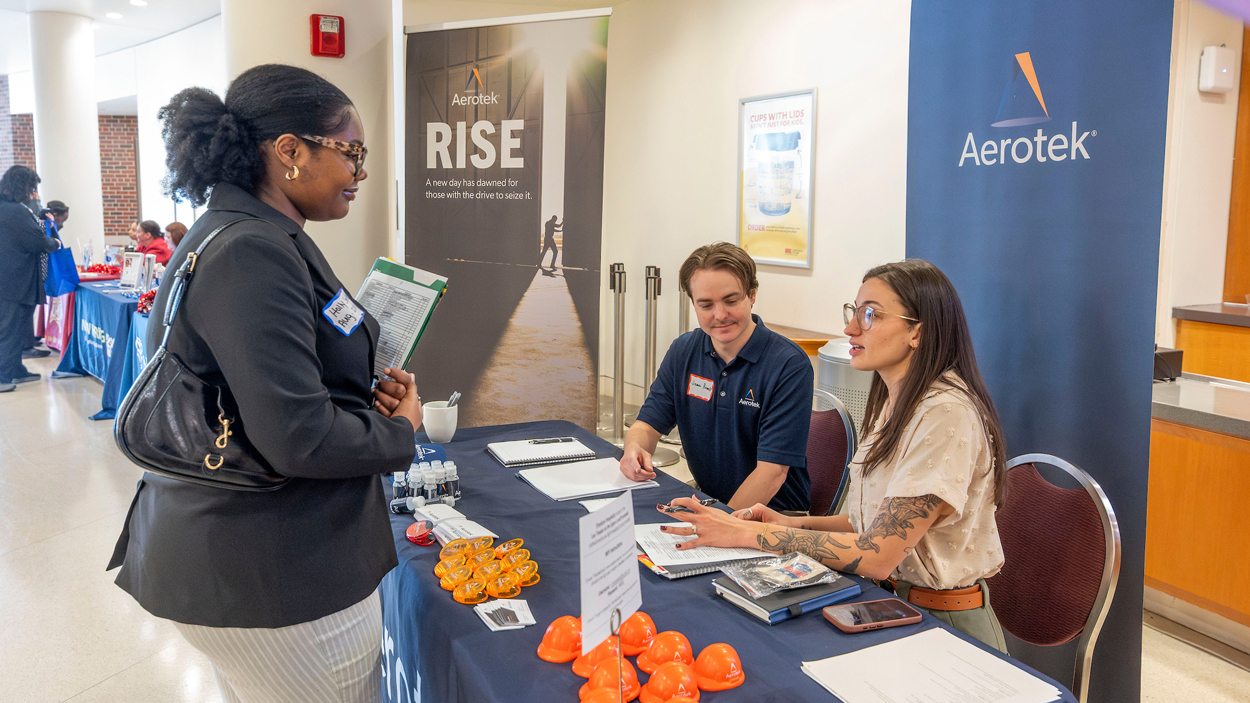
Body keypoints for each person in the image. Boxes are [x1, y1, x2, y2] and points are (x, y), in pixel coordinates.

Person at [107, 64, 419, 703]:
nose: (360, 174)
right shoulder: (253, 248)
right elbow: (299, 438)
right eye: (352, 153)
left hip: (248, 557)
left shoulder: (247, 232)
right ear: (290, 151)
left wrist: (358, 391)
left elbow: (277, 386)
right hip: (274, 572)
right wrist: (397, 430)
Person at [656, 259, 1010, 651]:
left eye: (870, 315)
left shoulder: (946, 413)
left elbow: (877, 554)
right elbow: (872, 522)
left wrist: (753, 533)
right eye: (854, 311)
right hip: (887, 604)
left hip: (941, 624)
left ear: (917, 332)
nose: (850, 328)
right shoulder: (899, 401)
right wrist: (794, 525)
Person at [619, 242, 813, 512]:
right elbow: (647, 425)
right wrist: (634, 449)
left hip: (772, 515)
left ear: (752, 295)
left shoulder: (789, 364)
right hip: (709, 503)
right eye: (706, 305)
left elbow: (772, 473)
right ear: (693, 304)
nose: (720, 315)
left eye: (731, 301)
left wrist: (721, 522)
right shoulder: (683, 351)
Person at [0, 166, 60, 393]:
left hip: (9, 280)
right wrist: (55, 242)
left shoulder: (7, 208)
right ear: (21, 186)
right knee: (8, 330)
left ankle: (14, 370)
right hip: (13, 281)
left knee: (14, 329)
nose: (32, 192)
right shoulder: (14, 211)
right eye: (31, 187)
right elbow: (37, 242)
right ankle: (3, 375)